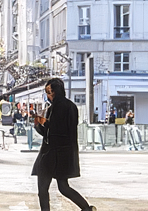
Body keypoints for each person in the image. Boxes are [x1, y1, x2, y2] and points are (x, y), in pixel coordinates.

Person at [32, 79, 93, 211]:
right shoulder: (71, 106)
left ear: (53, 92)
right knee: (63, 187)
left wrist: (41, 122)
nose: (48, 95)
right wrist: (39, 125)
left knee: (43, 189)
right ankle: (87, 209)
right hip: (65, 153)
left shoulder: (55, 107)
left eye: (48, 92)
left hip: (51, 154)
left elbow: (54, 131)